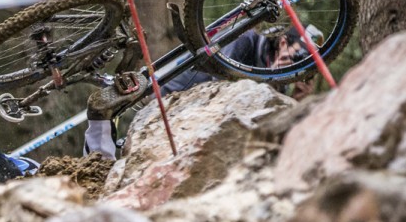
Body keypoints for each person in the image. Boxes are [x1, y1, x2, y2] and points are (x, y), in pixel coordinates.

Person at [82, 26, 321, 159]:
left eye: (305, 68)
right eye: (299, 57)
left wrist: (296, 102)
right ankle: (101, 136)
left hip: (200, 125)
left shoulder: (278, 84)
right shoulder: (248, 40)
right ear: (282, 42)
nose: (295, 67)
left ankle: (104, 142)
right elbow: (218, 78)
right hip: (179, 100)